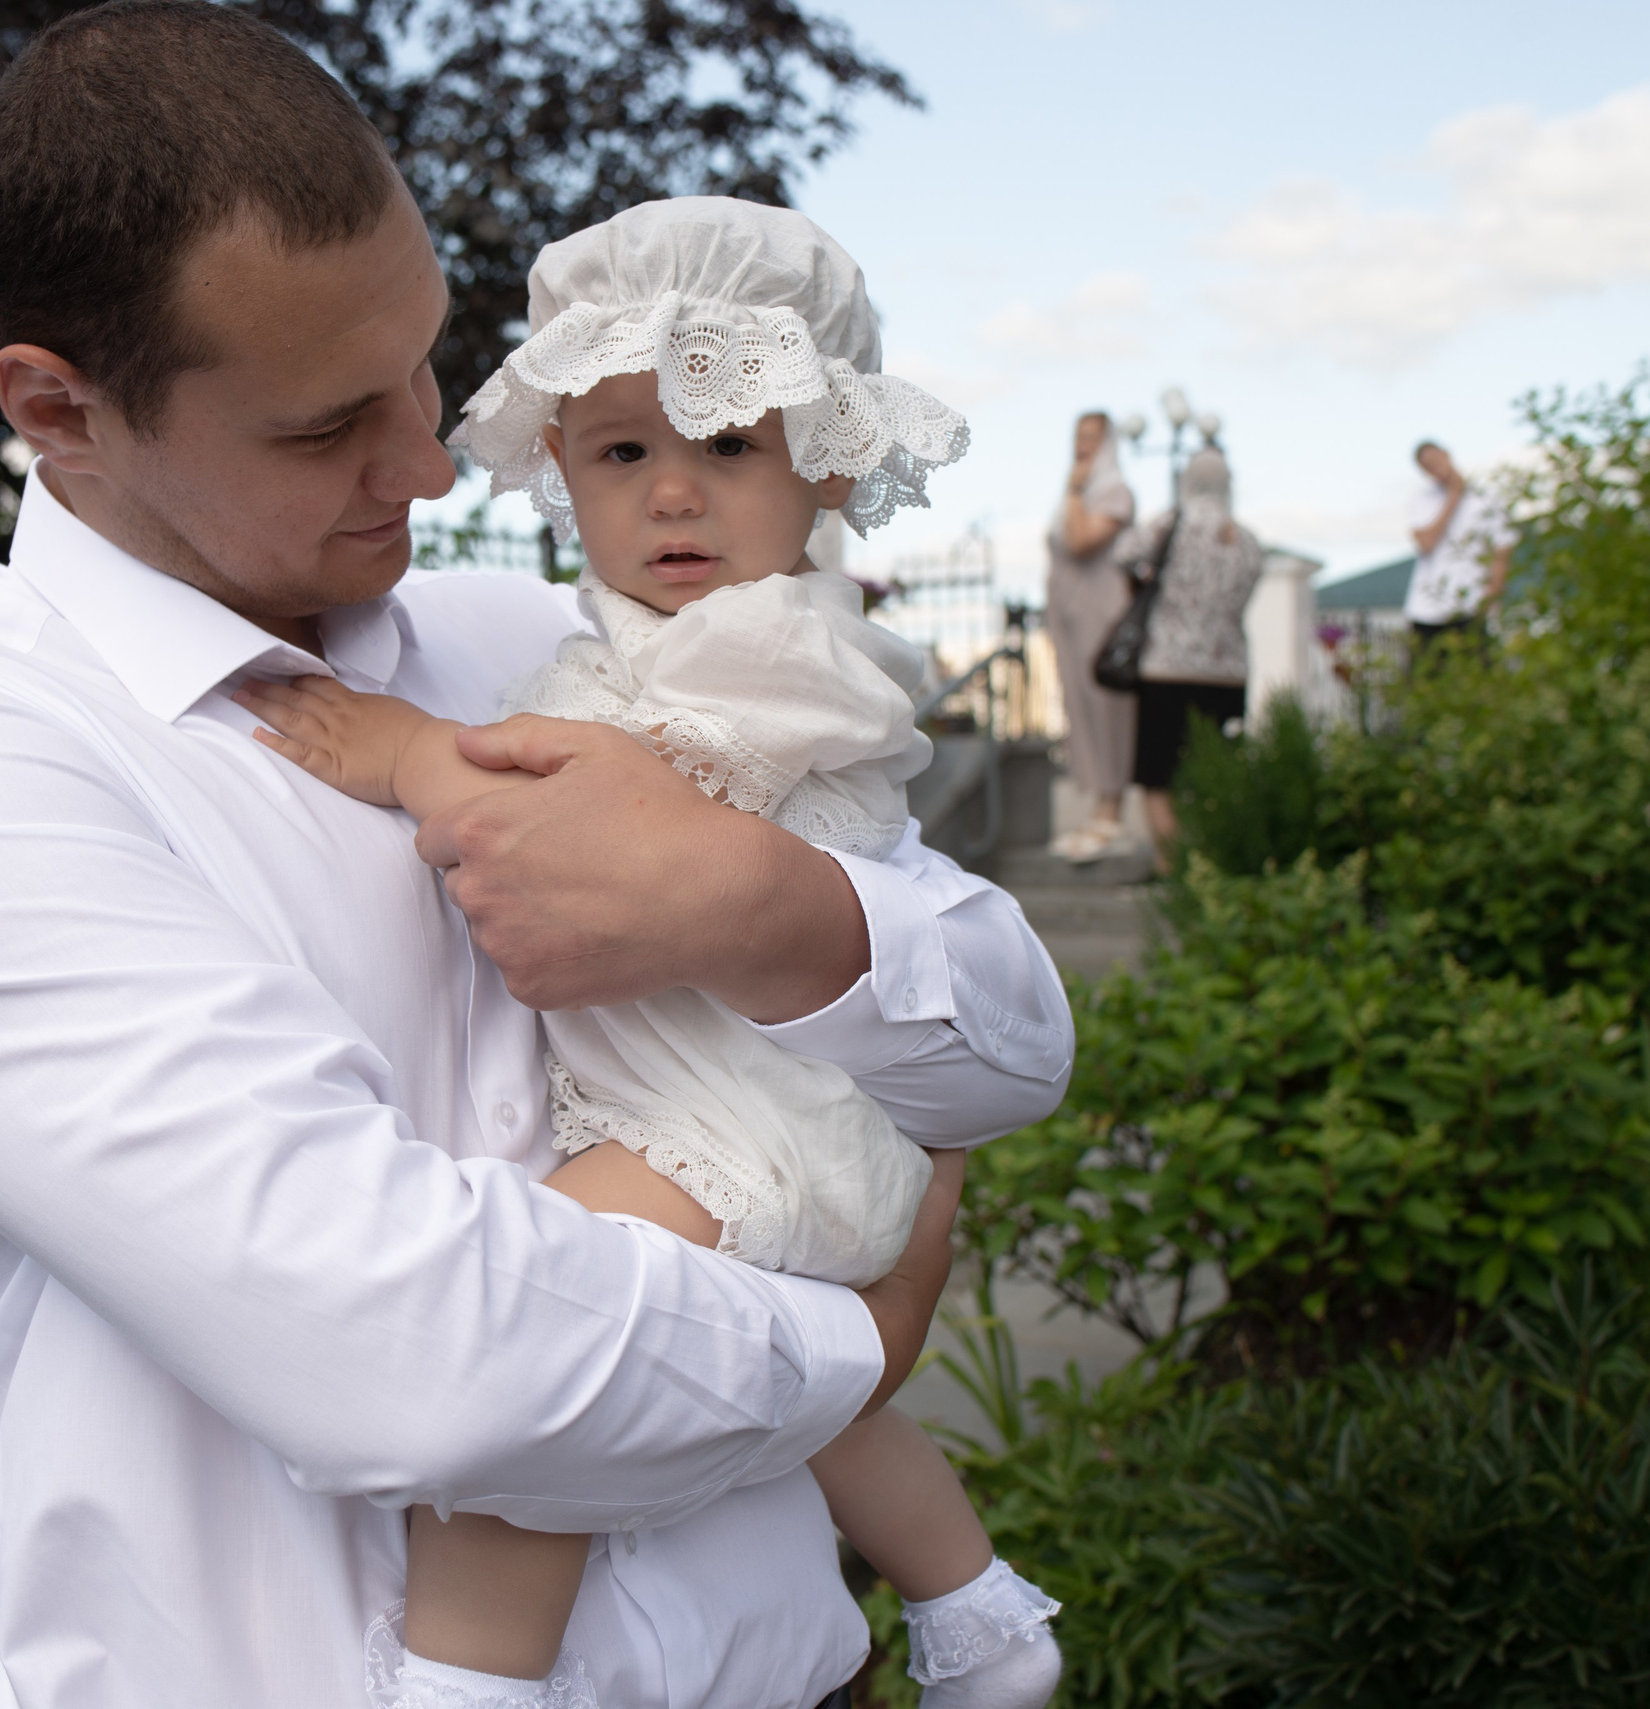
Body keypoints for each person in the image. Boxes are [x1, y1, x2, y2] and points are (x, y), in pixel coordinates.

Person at [0, 8, 1076, 1708]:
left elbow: (1007, 1043)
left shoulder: (548, 648)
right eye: (326, 427)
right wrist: (860, 1334)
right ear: (59, 409)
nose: (436, 463)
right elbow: (429, 1361)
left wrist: (768, 908)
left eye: (428, 368)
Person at [239, 199, 1067, 1709]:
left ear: (825, 461)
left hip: (739, 1124)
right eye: (623, 450)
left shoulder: (773, 643)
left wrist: (412, 751)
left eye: (730, 444)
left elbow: (623, 817)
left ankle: (469, 1684)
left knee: (520, 1365)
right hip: (749, 1112)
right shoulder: (627, 637)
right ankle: (981, 1615)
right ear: (559, 462)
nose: (674, 492)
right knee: (836, 1416)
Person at [1113, 446, 1264, 874]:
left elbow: (1123, 552)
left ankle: (1171, 868)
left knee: (1159, 778)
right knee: (1215, 775)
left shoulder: (1171, 524)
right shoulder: (1247, 540)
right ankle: (1209, 866)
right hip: (1228, 672)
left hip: (1168, 668)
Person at [1042, 412, 1138, 862]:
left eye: (1092, 438)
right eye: (1078, 436)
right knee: (1081, 709)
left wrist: (1075, 489)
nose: (1082, 446)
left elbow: (1081, 542)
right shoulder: (1080, 494)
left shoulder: (1112, 491)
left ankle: (1110, 809)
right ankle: (1099, 806)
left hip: (1100, 616)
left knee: (1106, 711)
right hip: (1072, 616)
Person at [1403, 440, 1511, 652]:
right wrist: (1453, 496)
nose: (1434, 469)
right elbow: (1426, 543)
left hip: (1472, 606)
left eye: (1435, 461)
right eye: (1427, 467)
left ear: (1446, 454)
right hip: (1426, 610)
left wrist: (1491, 598)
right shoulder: (1420, 499)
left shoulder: (1485, 497)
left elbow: (1501, 550)